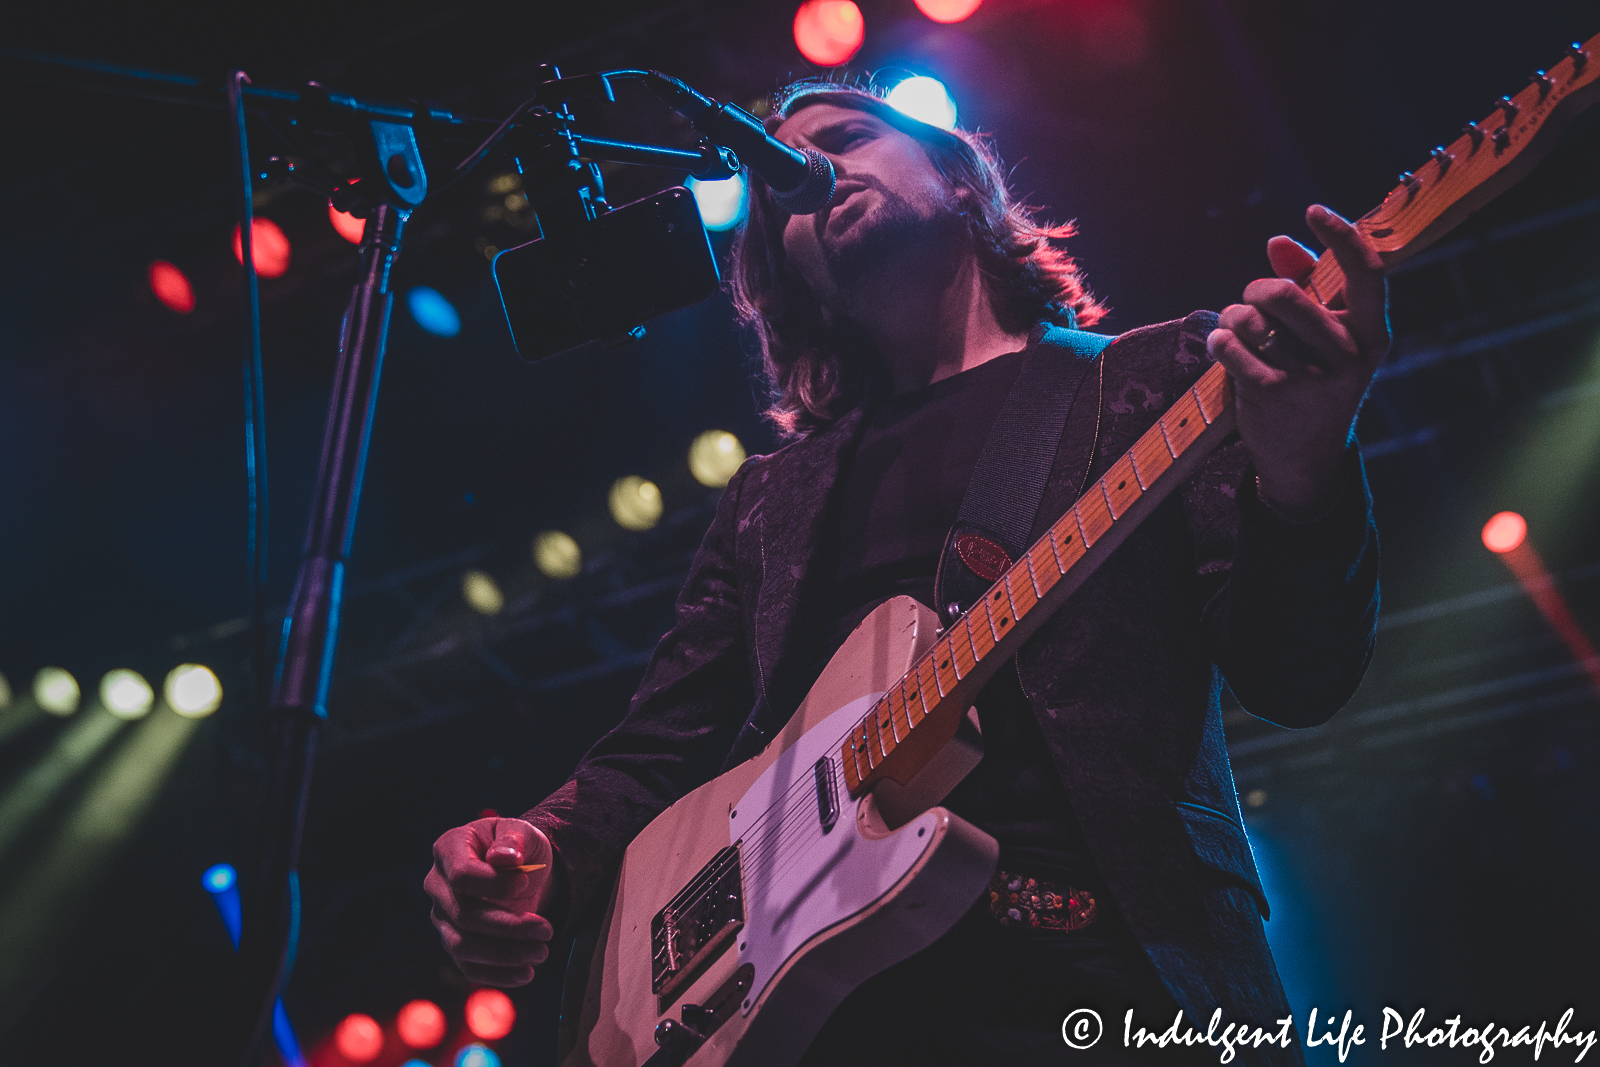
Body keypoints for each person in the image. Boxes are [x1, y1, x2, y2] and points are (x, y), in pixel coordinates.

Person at [424, 81, 1386, 1066]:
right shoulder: (769, 494)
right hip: (826, 1018)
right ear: (782, 267)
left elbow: (1298, 675)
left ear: (960, 178)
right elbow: (657, 750)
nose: (812, 172)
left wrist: (1307, 477)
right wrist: (535, 848)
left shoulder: (1152, 378)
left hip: (1118, 984)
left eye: (847, 136)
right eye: (775, 187)